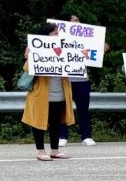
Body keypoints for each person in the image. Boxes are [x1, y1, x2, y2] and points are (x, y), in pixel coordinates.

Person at [22, 22, 76, 160]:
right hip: (41, 95)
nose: (58, 36)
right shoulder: (36, 49)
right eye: (55, 33)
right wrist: (29, 56)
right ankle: (41, 151)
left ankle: (54, 150)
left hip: (60, 94)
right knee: (38, 123)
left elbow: (77, 63)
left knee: (56, 123)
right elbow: (27, 69)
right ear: (46, 36)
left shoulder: (64, 49)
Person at [59, 14, 102, 147]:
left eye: (79, 20)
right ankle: (62, 136)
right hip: (66, 80)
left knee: (83, 109)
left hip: (82, 80)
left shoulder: (87, 39)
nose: (79, 22)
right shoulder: (58, 39)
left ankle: (86, 136)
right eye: (75, 20)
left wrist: (101, 50)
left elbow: (93, 56)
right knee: (63, 110)